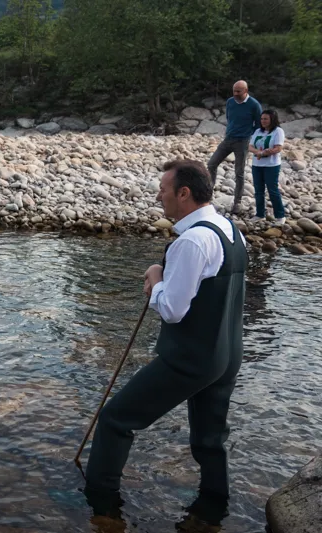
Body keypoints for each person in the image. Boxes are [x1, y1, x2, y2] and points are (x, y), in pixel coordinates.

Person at [84, 160, 248, 517]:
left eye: (163, 189)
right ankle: (212, 510)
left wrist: (156, 278)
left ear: (183, 193)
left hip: (191, 359)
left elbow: (173, 309)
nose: (159, 195)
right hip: (227, 355)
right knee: (210, 440)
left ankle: (100, 504)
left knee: (115, 420)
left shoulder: (192, 240)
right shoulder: (230, 229)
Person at [207, 80, 262, 214]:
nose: (236, 94)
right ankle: (207, 195)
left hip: (242, 142)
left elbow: (259, 124)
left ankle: (237, 202)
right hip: (228, 139)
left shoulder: (254, 105)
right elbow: (229, 117)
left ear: (246, 91)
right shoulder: (230, 102)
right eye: (234, 91)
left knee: (239, 172)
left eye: (239, 91)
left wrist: (249, 136)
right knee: (212, 164)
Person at [248, 109, 286, 226]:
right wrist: (259, 153)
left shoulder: (278, 131)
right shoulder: (258, 131)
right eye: (262, 119)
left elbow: (278, 148)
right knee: (258, 191)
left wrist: (266, 152)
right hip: (257, 165)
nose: (263, 121)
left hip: (271, 165)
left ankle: (280, 216)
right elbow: (250, 146)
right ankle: (259, 214)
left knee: (272, 190)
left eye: (266, 119)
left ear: (272, 120)